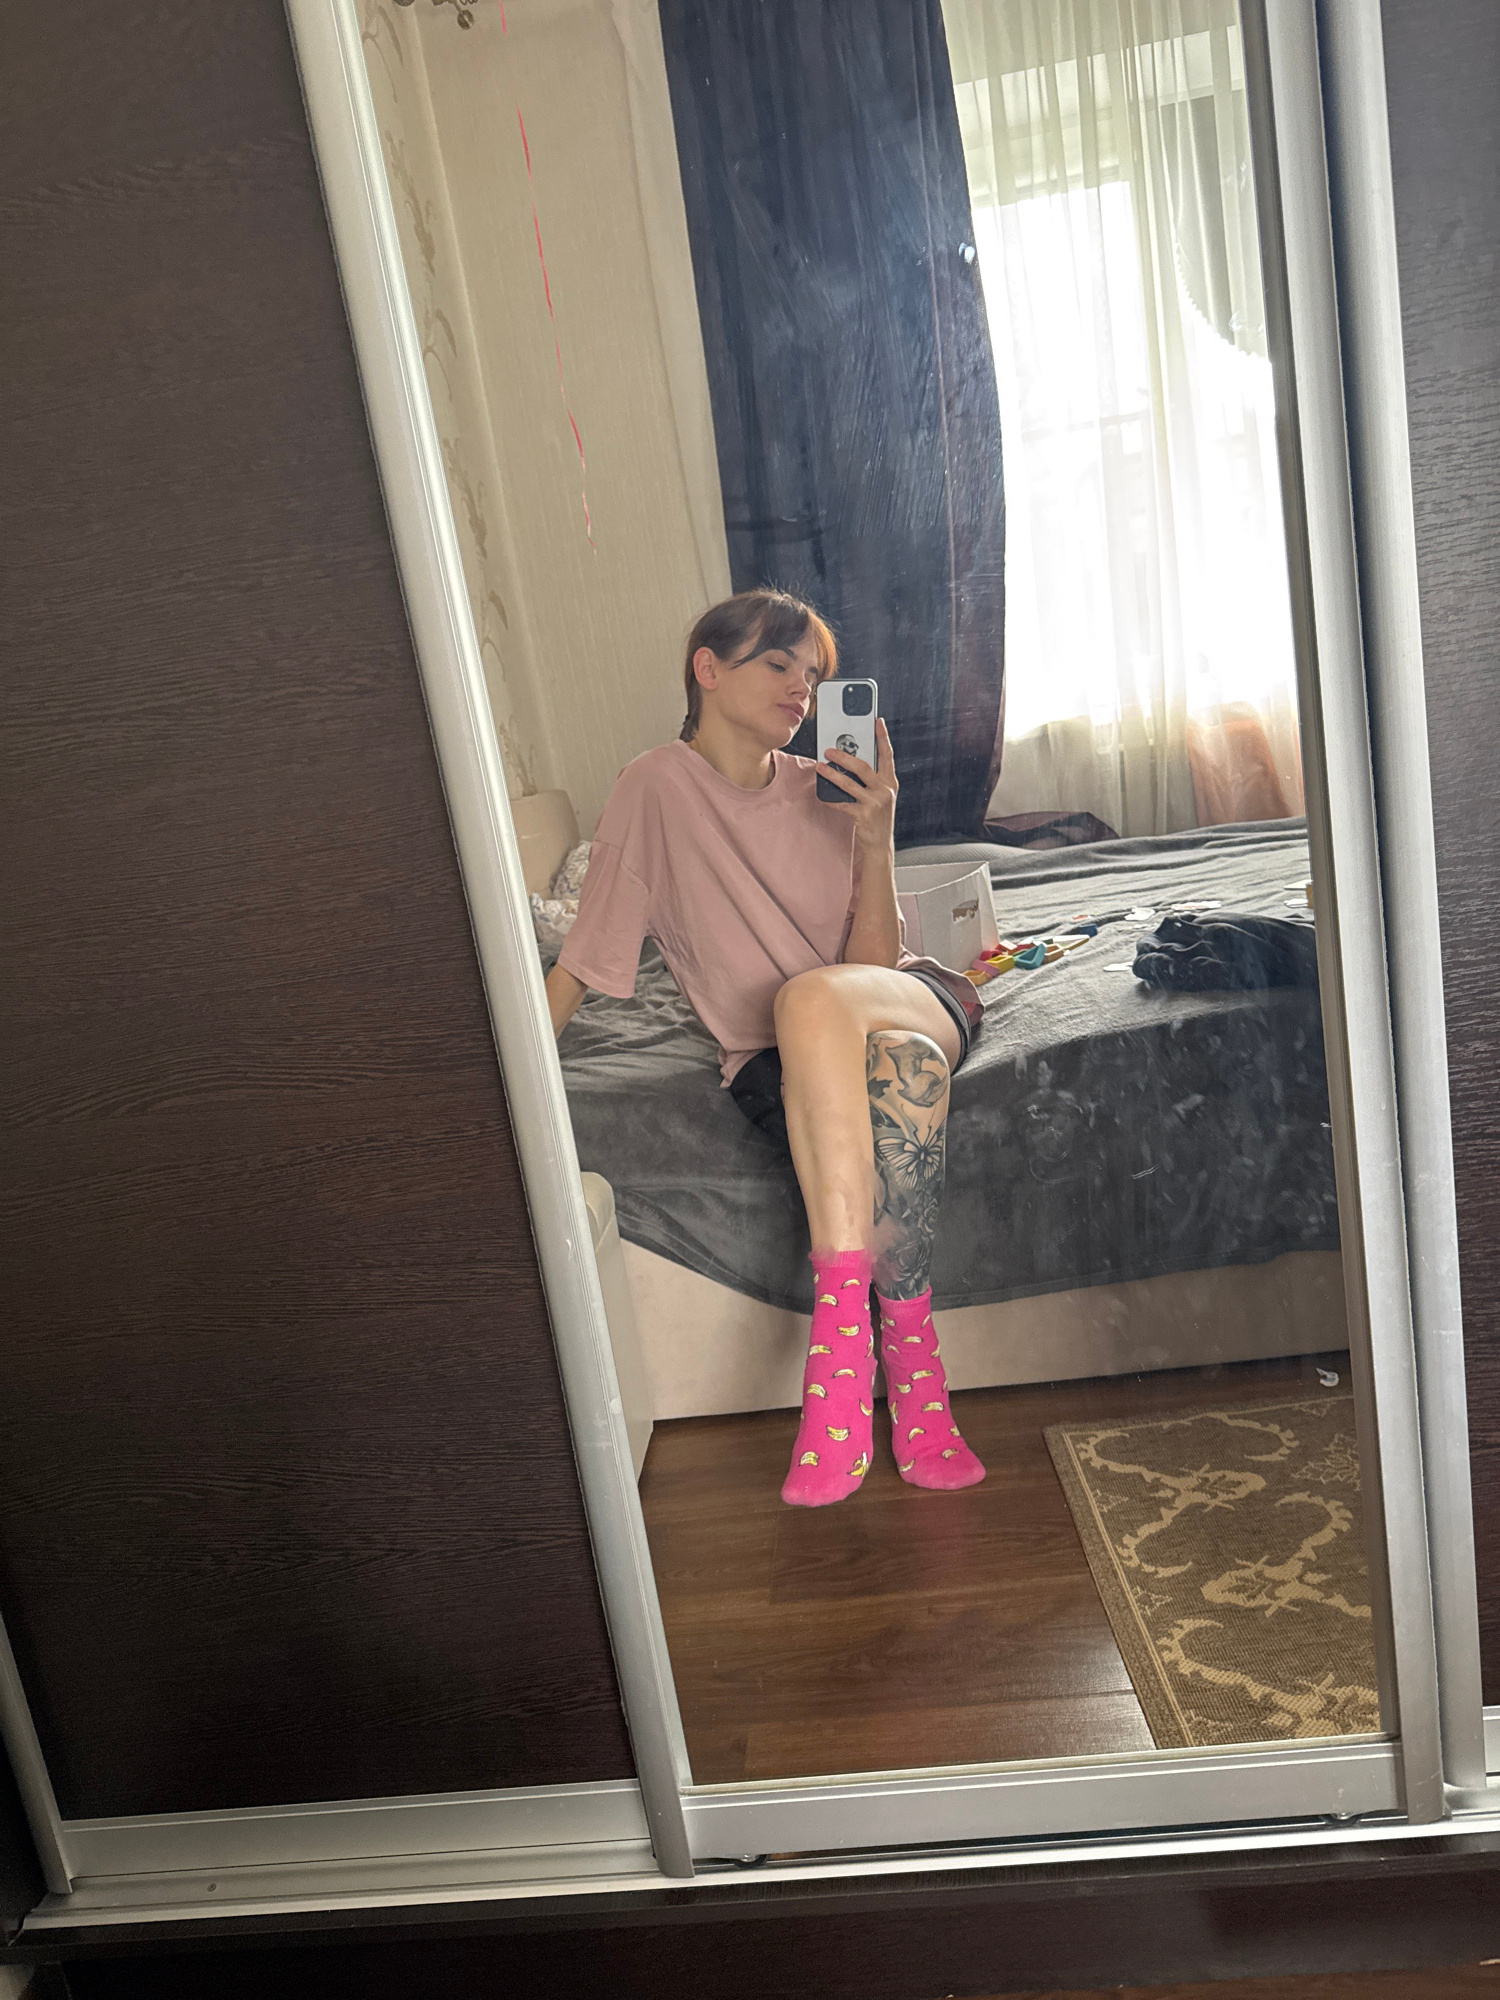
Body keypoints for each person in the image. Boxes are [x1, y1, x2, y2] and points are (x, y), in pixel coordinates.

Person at [546, 589, 986, 1508]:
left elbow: (872, 965)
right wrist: (507, 1076)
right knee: (872, 1057)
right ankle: (915, 1377)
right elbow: (585, 957)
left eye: (813, 675)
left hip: (901, 998)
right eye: (778, 663)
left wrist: (878, 837)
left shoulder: (825, 789)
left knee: (818, 997)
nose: (801, 688)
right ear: (707, 669)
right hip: (784, 1055)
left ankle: (840, 1358)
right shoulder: (654, 787)